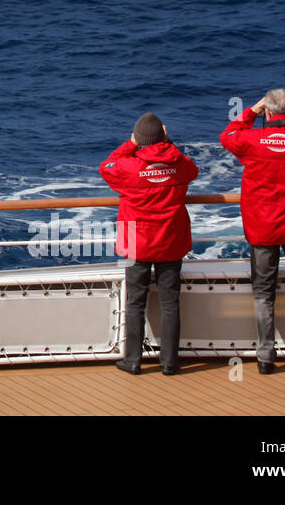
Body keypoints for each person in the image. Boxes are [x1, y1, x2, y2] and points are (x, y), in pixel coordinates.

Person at [220, 88, 285, 374]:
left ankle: (266, 357)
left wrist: (251, 112)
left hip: (262, 227)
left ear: (267, 113)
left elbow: (227, 135)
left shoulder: (251, 140)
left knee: (263, 292)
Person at [100, 112, 198, 375]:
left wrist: (130, 144)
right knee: (170, 303)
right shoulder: (178, 166)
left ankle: (132, 360)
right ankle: (169, 362)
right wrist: (169, 143)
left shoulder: (128, 168)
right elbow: (192, 168)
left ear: (138, 139)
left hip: (137, 244)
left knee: (135, 302)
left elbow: (107, 166)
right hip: (170, 242)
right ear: (163, 138)